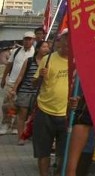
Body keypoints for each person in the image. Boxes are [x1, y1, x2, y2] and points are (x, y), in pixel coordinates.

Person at [33, 28, 70, 176]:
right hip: (44, 111)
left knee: (63, 154)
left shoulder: (78, 60)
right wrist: (39, 76)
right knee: (43, 152)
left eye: (70, 40)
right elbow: (34, 83)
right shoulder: (47, 59)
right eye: (65, 39)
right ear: (59, 42)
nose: (67, 43)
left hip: (67, 114)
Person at [11, 39, 50, 145]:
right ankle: (20, 137)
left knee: (35, 116)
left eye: (47, 47)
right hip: (25, 91)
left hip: (39, 93)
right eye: (44, 47)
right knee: (22, 115)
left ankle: (31, 135)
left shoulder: (48, 62)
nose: (46, 49)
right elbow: (21, 76)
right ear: (38, 49)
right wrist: (14, 89)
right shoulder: (29, 61)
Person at [0, 31, 35, 135]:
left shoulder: (35, 52)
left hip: (25, 85)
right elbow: (9, 65)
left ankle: (16, 126)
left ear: (33, 40)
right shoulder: (16, 51)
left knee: (20, 106)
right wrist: (3, 78)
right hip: (11, 81)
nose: (27, 41)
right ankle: (5, 124)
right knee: (7, 105)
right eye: (25, 39)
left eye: (29, 39)